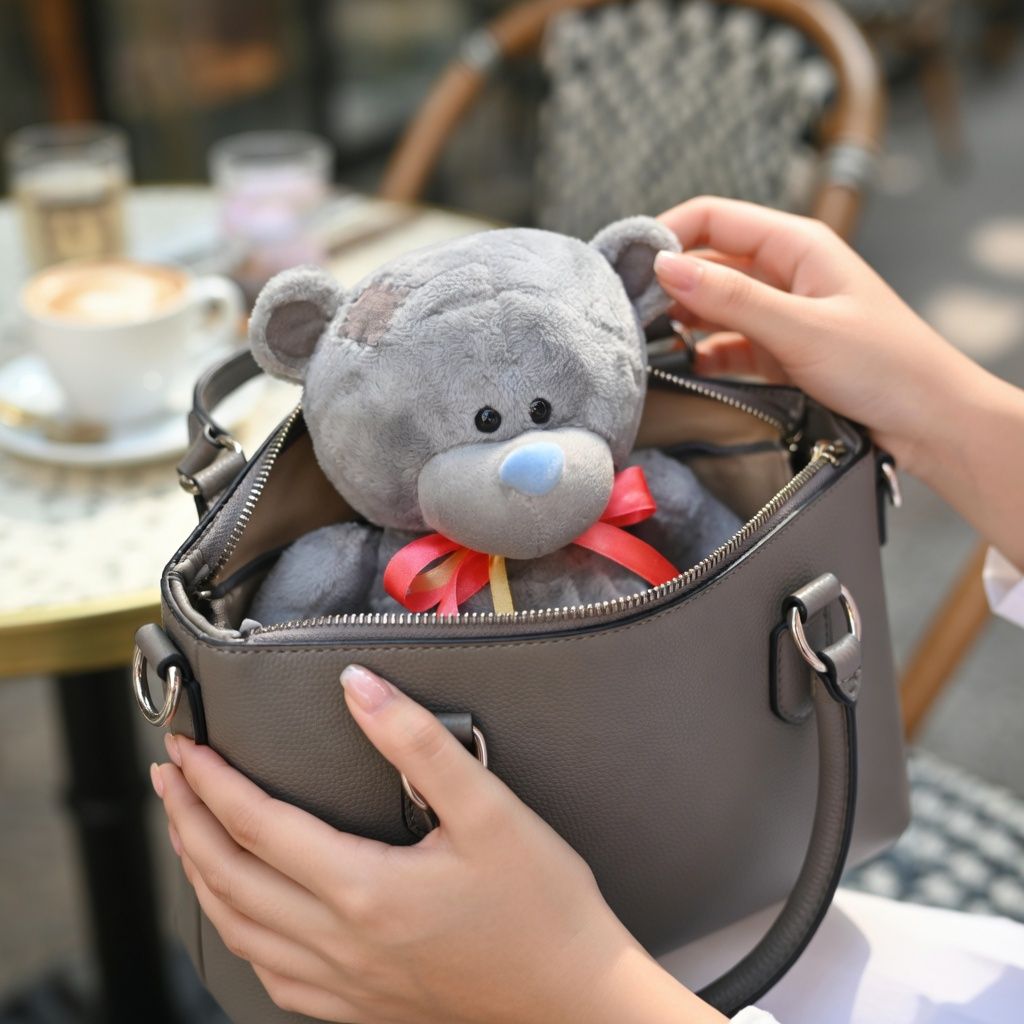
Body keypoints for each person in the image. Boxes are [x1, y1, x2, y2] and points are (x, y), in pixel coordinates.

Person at [149, 197, 1024, 1023]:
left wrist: (570, 988)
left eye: (540, 411)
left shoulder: (655, 493)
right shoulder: (364, 556)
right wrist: (941, 411)